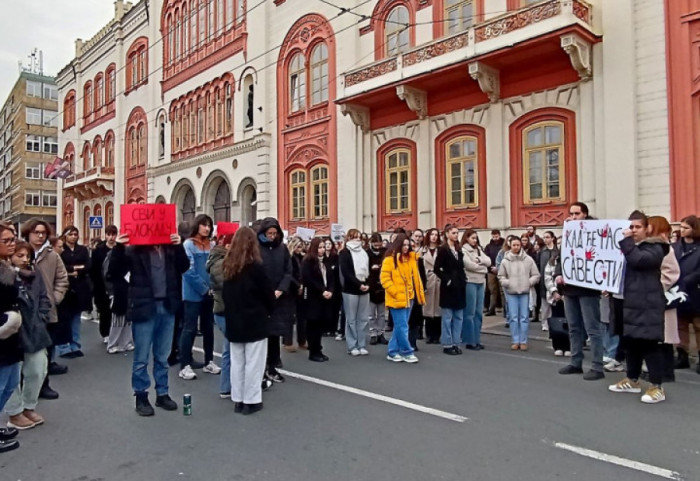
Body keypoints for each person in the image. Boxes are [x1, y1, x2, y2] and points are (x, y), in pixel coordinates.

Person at [109, 231, 189, 416]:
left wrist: (179, 246)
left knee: (163, 355)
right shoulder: (134, 250)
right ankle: (141, 395)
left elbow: (184, 267)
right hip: (144, 307)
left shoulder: (170, 248)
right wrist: (119, 247)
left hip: (167, 306)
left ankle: (162, 393)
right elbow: (114, 272)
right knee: (141, 357)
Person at [608, 211, 670, 403]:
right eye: (631, 227)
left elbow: (639, 260)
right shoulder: (633, 248)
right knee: (631, 343)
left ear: (647, 229)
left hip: (648, 305)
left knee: (649, 344)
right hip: (630, 303)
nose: (633, 231)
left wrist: (626, 242)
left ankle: (657, 387)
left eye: (637, 227)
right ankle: (632, 380)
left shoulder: (656, 247)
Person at [222, 227, 275, 415]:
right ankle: (251, 400)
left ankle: (238, 399)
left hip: (234, 320)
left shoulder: (228, 265)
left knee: (237, 362)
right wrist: (269, 309)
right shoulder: (256, 268)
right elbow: (268, 294)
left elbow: (225, 295)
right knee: (254, 362)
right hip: (254, 319)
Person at [4, 242, 52, 430]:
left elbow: (44, 297)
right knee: (12, 374)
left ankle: (28, 406)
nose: (25, 259)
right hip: (13, 329)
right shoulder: (6, 275)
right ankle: (14, 412)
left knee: (38, 368)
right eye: (20, 255)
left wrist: (42, 315)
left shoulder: (35, 274)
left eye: (27, 255)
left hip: (34, 328)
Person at [556, 202, 606, 380]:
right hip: (570, 289)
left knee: (592, 329)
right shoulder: (569, 233)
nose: (573, 217)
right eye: (571, 213)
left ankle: (597, 366)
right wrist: (559, 274)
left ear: (585, 214)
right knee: (574, 327)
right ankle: (575, 362)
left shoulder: (595, 233)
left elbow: (603, 258)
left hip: (588, 289)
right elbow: (561, 258)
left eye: (577, 213)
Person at [21, 220, 68, 401]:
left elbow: (62, 279)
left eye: (43, 232)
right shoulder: (21, 251)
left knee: (46, 350)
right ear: (28, 233)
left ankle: (44, 384)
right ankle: (23, 385)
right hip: (24, 311)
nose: (40, 236)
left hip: (46, 311)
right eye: (36, 232)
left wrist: (54, 299)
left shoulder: (52, 256)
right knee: (24, 351)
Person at [179, 214, 220, 381]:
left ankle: (209, 360)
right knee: (189, 328)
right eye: (204, 225)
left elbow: (215, 267)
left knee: (208, 327)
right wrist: (204, 288)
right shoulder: (188, 244)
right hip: (192, 293)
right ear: (197, 226)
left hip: (209, 293)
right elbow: (188, 270)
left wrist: (213, 287)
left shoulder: (211, 245)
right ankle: (184, 364)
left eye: (209, 225)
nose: (207, 228)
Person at [257, 218, 294, 383]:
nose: (272, 236)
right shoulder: (257, 249)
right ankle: (261, 368)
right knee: (262, 335)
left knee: (275, 334)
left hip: (279, 297)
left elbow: (288, 271)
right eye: (269, 233)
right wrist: (266, 292)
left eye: (275, 233)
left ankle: (272, 366)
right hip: (263, 298)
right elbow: (255, 272)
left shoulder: (282, 249)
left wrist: (280, 289)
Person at [381, 234, 424, 363]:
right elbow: (384, 279)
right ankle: (407, 351)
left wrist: (416, 293)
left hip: (409, 297)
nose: (406, 247)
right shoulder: (389, 260)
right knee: (402, 326)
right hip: (396, 298)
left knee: (400, 326)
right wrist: (395, 292)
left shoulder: (411, 260)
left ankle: (393, 351)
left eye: (408, 245)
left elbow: (415, 278)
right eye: (404, 245)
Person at [647, 216, 681, 382]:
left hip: (662, 297)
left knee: (665, 337)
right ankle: (658, 370)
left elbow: (670, 273)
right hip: (653, 297)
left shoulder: (666, 248)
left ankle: (667, 372)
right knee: (657, 336)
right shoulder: (652, 247)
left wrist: (655, 287)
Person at [0, 222, 24, 452]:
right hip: (2, 333)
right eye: (6, 240)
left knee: (10, 385)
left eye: (13, 239)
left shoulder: (7, 266)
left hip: (11, 337)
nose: (12, 243)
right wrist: (5, 321)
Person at [56, 226, 92, 358]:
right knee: (64, 318)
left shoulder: (82, 249)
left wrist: (76, 270)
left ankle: (75, 345)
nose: (73, 236)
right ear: (65, 235)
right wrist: (73, 269)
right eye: (71, 234)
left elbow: (88, 265)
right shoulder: (61, 249)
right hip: (65, 287)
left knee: (76, 318)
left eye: (76, 234)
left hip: (79, 287)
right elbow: (60, 266)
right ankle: (63, 347)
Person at [498, 237, 540, 350]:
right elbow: (501, 276)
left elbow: (536, 275)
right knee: (513, 317)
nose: (516, 247)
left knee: (524, 317)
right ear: (510, 246)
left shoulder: (528, 259)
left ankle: (523, 340)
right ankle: (515, 340)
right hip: (511, 292)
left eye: (518, 245)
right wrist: (508, 283)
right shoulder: (505, 260)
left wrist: (529, 282)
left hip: (524, 292)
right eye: (514, 245)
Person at [207, 233, 235, 399]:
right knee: (230, 350)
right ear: (228, 246)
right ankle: (226, 386)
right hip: (223, 310)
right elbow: (227, 283)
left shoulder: (224, 260)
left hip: (227, 310)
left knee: (231, 348)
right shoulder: (219, 263)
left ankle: (229, 385)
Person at [673, 215, 700, 372]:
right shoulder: (675, 247)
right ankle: (682, 355)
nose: (682, 230)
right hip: (678, 291)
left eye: (686, 228)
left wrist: (687, 280)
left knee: (698, 326)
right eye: (681, 227)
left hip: (695, 291)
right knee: (680, 325)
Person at [434, 225, 466, 356]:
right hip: (448, 288)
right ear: (447, 234)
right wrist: (447, 279)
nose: (456, 235)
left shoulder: (458, 250)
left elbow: (461, 267)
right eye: (453, 233)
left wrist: (464, 279)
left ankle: (456, 343)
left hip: (460, 286)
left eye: (457, 233)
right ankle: (447, 344)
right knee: (447, 317)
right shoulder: (442, 250)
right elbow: (437, 268)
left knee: (459, 316)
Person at [302, 238, 334, 362]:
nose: (322, 250)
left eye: (323, 247)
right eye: (319, 247)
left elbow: (331, 278)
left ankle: (318, 349)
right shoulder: (308, 261)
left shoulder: (326, 261)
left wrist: (330, 290)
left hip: (324, 297)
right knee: (313, 324)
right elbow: (309, 279)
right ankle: (313, 351)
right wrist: (322, 290)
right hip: (313, 297)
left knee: (320, 325)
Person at [339, 229, 370, 356]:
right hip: (350, 289)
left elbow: (368, 270)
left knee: (363, 318)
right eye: (355, 237)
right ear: (349, 238)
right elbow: (347, 273)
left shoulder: (364, 253)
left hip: (364, 288)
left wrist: (367, 284)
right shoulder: (345, 253)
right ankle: (352, 345)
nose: (358, 239)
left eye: (359, 237)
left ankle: (361, 344)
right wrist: (359, 284)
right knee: (351, 319)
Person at [461, 229, 491, 350]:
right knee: (470, 313)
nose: (475, 240)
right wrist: (483, 268)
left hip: (481, 282)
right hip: (470, 282)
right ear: (467, 238)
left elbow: (488, 261)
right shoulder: (463, 250)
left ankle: (477, 339)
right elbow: (469, 265)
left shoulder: (479, 249)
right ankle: (469, 340)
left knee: (479, 313)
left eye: (476, 238)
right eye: (473, 238)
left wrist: (480, 261)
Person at [91, 225, 118, 344]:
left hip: (116, 284)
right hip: (102, 285)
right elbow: (95, 270)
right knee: (104, 310)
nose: (111, 237)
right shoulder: (99, 250)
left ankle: (115, 333)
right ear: (105, 235)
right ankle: (105, 333)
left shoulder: (119, 249)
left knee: (116, 311)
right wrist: (96, 287)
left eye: (113, 235)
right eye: (109, 235)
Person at [544, 252, 570, 356]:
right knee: (556, 321)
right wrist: (554, 292)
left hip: (569, 296)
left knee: (569, 322)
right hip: (556, 297)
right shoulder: (552, 262)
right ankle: (557, 346)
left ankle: (569, 346)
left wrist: (566, 294)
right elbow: (547, 278)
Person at [419, 228, 441, 344]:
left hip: (439, 280)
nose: (434, 237)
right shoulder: (422, 251)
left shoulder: (441, 250)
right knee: (427, 309)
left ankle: (437, 335)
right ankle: (429, 335)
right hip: (428, 280)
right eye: (432, 234)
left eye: (436, 235)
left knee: (438, 309)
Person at [366, 233, 388, 345]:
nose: (378, 247)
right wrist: (371, 268)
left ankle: (381, 333)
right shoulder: (367, 253)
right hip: (371, 284)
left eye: (379, 244)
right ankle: (373, 333)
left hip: (383, 284)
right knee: (371, 313)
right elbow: (364, 268)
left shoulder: (385, 252)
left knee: (381, 313)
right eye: (375, 244)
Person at [286, 236, 306, 351]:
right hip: (291, 289)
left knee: (301, 316)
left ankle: (302, 340)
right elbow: (289, 275)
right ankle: (288, 341)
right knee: (290, 316)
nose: (300, 249)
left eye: (301, 246)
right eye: (298, 246)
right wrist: (298, 285)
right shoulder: (290, 258)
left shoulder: (301, 257)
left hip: (300, 288)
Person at [537, 231, 558, 331]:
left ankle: (555, 321)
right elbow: (538, 264)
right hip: (543, 280)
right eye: (544, 237)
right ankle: (544, 322)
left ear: (552, 238)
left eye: (548, 237)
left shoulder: (557, 251)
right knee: (544, 302)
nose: (545, 239)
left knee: (555, 303)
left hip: (555, 279)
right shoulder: (542, 251)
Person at [323, 237, 344, 340]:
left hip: (335, 286)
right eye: (325, 244)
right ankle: (324, 328)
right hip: (325, 286)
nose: (327, 246)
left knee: (335, 309)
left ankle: (333, 329)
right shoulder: (322, 257)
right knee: (325, 308)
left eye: (329, 244)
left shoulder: (335, 256)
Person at [484, 230, 504, 316]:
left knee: (503, 291)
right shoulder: (488, 246)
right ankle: (491, 309)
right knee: (492, 291)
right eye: (493, 237)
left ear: (499, 235)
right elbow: (486, 257)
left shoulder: (503, 245)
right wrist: (491, 267)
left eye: (496, 236)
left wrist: (498, 268)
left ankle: (506, 310)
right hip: (491, 271)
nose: (495, 238)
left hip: (502, 271)